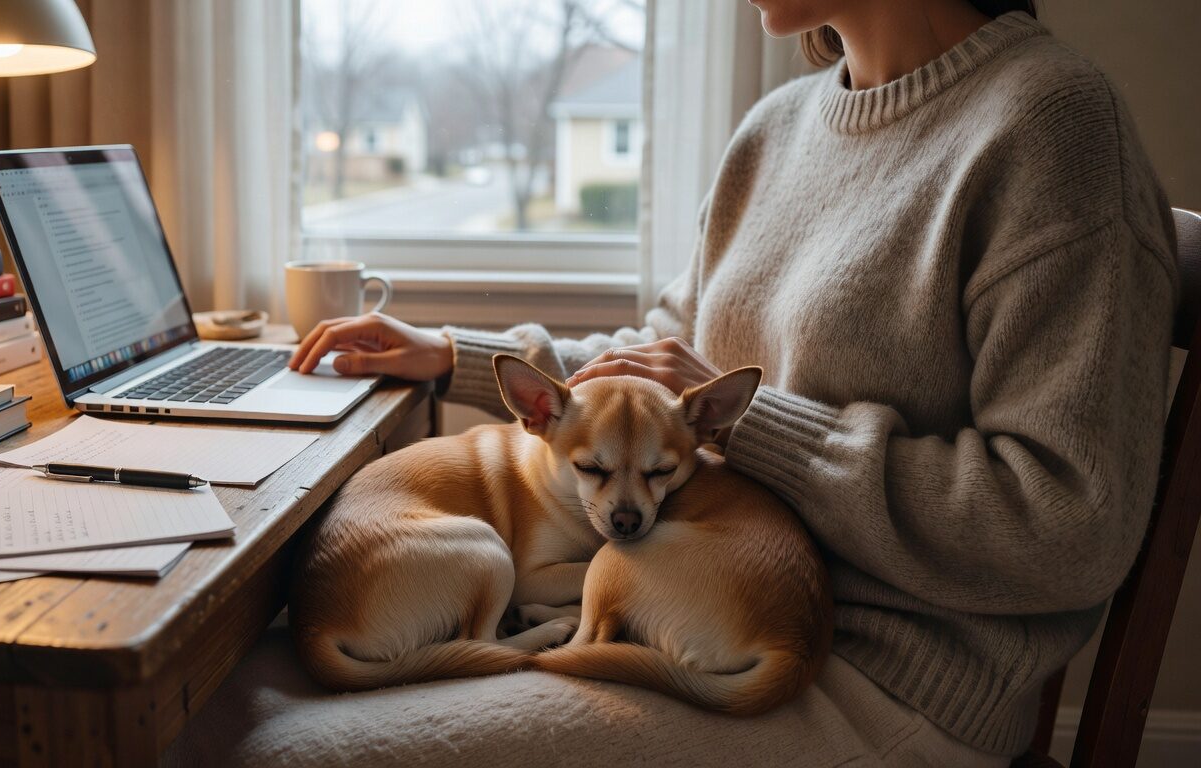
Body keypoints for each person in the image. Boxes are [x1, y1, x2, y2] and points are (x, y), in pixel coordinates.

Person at [184, 1, 1178, 765]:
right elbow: (657, 366)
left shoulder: (1049, 126)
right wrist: (456, 354)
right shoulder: (778, 128)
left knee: (260, 749)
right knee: (212, 692)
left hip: (873, 673)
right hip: (694, 591)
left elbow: (1066, 525)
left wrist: (751, 429)